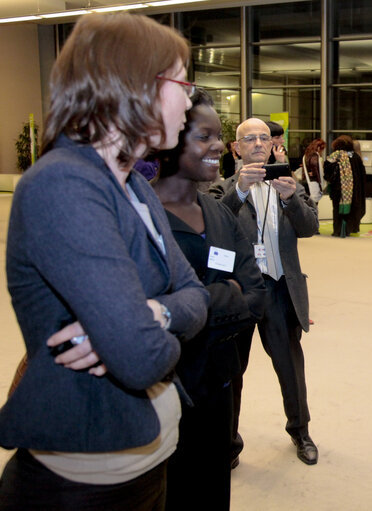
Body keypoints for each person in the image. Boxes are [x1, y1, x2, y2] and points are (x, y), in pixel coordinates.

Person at [0, 13, 209, 511]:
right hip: (84, 482)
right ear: (135, 85)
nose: (191, 99)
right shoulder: (64, 183)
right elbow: (141, 360)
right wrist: (142, 328)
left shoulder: (134, 184)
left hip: (146, 461)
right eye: (182, 82)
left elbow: (197, 296)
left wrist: (152, 314)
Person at [152, 90, 267, 508]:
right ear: (169, 142)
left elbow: (256, 295)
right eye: (205, 136)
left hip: (220, 384)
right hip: (166, 390)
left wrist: (196, 299)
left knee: (214, 490)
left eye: (219, 136)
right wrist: (226, 295)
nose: (219, 146)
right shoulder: (141, 217)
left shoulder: (219, 212)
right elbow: (150, 310)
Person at [209, 117, 320, 465]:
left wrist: (292, 200)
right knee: (231, 371)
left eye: (265, 138)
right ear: (236, 148)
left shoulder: (289, 183)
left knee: (290, 367)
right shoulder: (220, 186)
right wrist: (239, 191)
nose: (259, 143)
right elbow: (213, 228)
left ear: (273, 144)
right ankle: (227, 441)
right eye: (249, 138)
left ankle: (300, 432)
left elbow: (309, 228)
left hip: (279, 288)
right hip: (237, 291)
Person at [323, 135, 366, 237]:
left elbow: (327, 172)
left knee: (337, 209)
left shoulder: (334, 156)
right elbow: (362, 174)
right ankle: (349, 229)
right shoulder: (355, 157)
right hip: (353, 189)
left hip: (337, 189)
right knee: (351, 209)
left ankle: (337, 230)